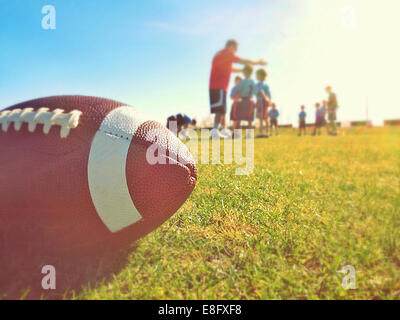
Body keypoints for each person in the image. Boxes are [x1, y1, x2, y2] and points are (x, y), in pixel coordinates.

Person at [209, 39, 266, 139]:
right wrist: (257, 62)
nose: (236, 50)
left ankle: (221, 129)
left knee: (222, 110)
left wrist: (242, 70)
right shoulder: (227, 53)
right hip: (219, 86)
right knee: (219, 110)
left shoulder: (221, 55)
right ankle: (215, 131)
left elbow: (229, 69)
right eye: (235, 48)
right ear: (231, 46)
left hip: (217, 86)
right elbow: (243, 61)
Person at [230, 65, 256, 138]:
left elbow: (236, 90)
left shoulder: (242, 82)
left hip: (242, 100)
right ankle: (249, 135)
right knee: (249, 118)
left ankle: (236, 134)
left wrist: (240, 95)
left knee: (239, 118)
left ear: (244, 73)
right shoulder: (252, 81)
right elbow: (254, 91)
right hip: (249, 100)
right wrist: (250, 95)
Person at [254, 68, 271, 138]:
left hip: (261, 101)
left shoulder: (259, 84)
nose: (256, 77)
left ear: (260, 76)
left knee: (261, 118)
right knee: (266, 117)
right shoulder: (266, 85)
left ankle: (260, 133)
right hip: (265, 101)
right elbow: (269, 94)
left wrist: (265, 99)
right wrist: (269, 101)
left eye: (257, 75)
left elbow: (261, 92)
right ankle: (267, 132)